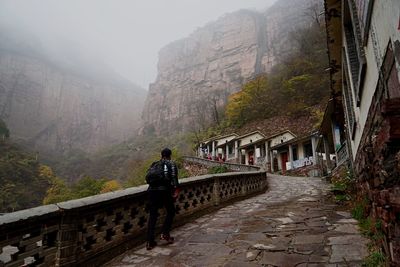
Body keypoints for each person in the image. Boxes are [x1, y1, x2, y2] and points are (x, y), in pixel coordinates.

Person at [146, 148, 180, 250]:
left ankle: (149, 242)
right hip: (164, 191)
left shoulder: (154, 164)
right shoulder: (171, 163)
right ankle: (165, 233)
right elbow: (174, 179)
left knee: (153, 215)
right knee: (171, 211)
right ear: (170, 155)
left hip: (151, 191)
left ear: (161, 155)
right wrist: (176, 191)